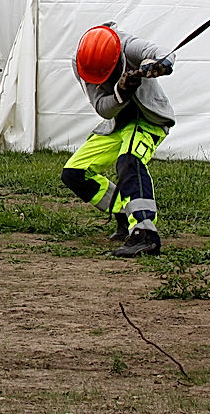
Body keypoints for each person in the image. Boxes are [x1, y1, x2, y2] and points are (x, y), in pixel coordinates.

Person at [62, 23, 174, 258]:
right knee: (74, 172)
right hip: (116, 124)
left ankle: (145, 232)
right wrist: (121, 92)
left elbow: (162, 52)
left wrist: (161, 65)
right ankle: (123, 212)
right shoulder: (82, 62)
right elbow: (103, 108)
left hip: (147, 119)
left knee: (130, 160)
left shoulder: (127, 46)